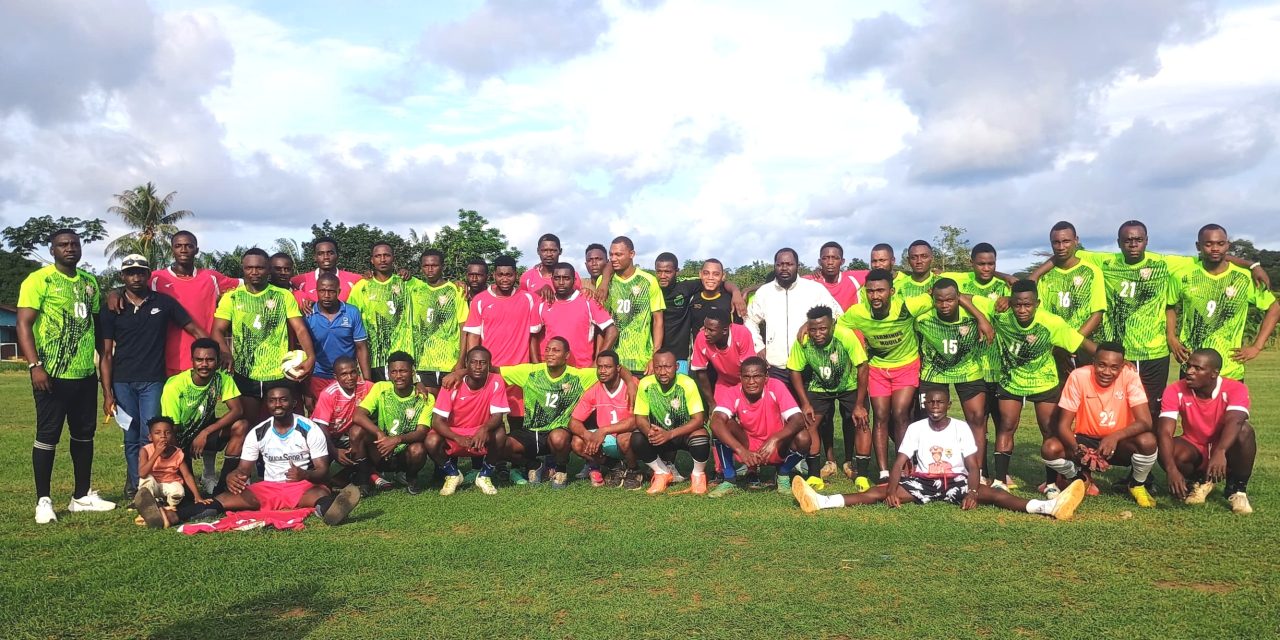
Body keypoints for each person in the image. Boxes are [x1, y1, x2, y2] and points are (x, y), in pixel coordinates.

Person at [1043, 221, 1267, 415]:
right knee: (1112, 406)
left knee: (1153, 410)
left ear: (1146, 240)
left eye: (1138, 239)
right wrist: (1034, 276)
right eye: (1127, 240)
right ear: (1119, 242)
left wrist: (1252, 264)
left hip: (1154, 353)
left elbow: (1212, 255)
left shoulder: (1164, 263)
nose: (1133, 244)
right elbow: (1063, 254)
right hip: (1118, 352)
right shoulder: (1106, 261)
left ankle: (1144, 463)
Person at [791, 388, 1087, 521]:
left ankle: (1048, 508)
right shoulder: (917, 427)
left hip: (956, 480)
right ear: (926, 403)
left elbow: (972, 465)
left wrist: (971, 491)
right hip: (924, 481)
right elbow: (899, 462)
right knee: (879, 493)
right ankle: (822, 502)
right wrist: (893, 489)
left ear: (947, 405)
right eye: (930, 402)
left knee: (994, 495)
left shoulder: (960, 428)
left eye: (940, 402)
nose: (934, 406)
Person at [18, 228, 115, 523]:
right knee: (48, 436)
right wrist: (35, 366)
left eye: (74, 244)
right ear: (52, 250)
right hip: (51, 375)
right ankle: (43, 500)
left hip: (84, 375)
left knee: (84, 436)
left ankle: (81, 496)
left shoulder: (89, 282)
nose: (69, 248)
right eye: (63, 245)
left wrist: (103, 378)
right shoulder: (39, 280)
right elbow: (24, 325)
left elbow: (99, 331)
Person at [99, 254, 206, 499]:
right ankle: (137, 487)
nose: (135, 277)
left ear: (149, 275)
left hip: (153, 380)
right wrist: (107, 393)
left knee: (155, 435)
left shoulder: (164, 303)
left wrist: (213, 348)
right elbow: (106, 353)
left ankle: (159, 483)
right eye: (130, 273)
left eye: (140, 272)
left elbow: (192, 328)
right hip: (122, 381)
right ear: (122, 276)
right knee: (130, 435)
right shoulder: (112, 308)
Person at [202, 384, 361, 526]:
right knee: (224, 499)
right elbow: (243, 470)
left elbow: (323, 471)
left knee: (320, 493)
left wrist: (304, 474)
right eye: (272, 400)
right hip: (269, 489)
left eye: (283, 400)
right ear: (267, 404)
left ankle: (330, 511)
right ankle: (181, 514)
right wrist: (233, 475)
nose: (277, 404)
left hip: (302, 487)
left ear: (293, 404)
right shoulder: (258, 432)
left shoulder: (310, 429)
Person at [992, 280, 1097, 493]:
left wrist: (1114, 359)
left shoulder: (1052, 322)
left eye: (1028, 305)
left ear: (1037, 303)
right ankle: (1000, 482)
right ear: (1010, 302)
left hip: (1044, 382)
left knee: (1048, 430)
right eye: (1017, 304)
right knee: (1006, 426)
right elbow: (962, 297)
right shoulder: (1000, 313)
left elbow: (1080, 342)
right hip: (1011, 380)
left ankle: (1050, 484)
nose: (1022, 310)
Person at [836, 269, 932, 481]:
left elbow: (945, 296)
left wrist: (981, 318)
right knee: (880, 416)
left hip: (906, 366)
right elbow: (836, 327)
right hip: (878, 369)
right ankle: (883, 472)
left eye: (880, 291)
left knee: (900, 414)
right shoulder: (857, 312)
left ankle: (904, 466)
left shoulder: (907, 306)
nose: (875, 296)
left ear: (892, 291)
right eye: (870, 291)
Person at [1041, 343, 1157, 506]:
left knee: (1148, 441)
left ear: (1122, 366)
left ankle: (1137, 485)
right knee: (1050, 448)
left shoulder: (1130, 375)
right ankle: (1079, 479)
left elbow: (1145, 422)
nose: (1107, 372)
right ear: (1093, 362)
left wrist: (1114, 436)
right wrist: (1078, 450)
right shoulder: (1078, 376)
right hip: (1085, 441)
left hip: (1118, 443)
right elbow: (1063, 426)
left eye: (1114, 367)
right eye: (1101, 365)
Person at [212, 248, 316, 426]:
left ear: (268, 269)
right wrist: (225, 352)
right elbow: (217, 331)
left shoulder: (283, 296)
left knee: (283, 424)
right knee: (249, 425)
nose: (254, 272)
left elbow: (299, 328)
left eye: (259, 268)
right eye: (249, 267)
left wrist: (311, 356)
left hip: (278, 373)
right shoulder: (232, 298)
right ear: (243, 269)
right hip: (245, 373)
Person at [1168, 224, 1279, 382]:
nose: (1215, 248)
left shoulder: (1245, 278)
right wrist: (1172, 337)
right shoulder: (1182, 275)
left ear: (1228, 245)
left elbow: (1274, 308)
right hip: (1191, 366)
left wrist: (1257, 346)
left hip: (1230, 369)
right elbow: (1169, 305)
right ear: (1198, 246)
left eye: (1220, 244)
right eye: (1208, 244)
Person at [913, 277, 996, 483]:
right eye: (939, 300)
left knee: (977, 419)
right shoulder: (922, 318)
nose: (944, 305)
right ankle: (926, 468)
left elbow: (1002, 304)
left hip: (968, 370)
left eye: (950, 300)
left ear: (959, 298)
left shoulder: (974, 312)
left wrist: (981, 318)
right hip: (934, 372)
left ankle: (979, 471)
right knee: (929, 419)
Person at [1158, 349, 1258, 514]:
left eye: (1197, 368)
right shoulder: (1175, 389)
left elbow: (1236, 421)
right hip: (1195, 445)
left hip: (1225, 448)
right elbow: (1164, 432)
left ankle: (1238, 490)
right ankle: (1198, 482)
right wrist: (1171, 469)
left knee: (1245, 431)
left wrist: (1221, 451)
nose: (1189, 372)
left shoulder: (1235, 388)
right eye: (1188, 366)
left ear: (1214, 373)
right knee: (1169, 446)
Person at [500, 337, 601, 488]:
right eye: (547, 350)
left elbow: (612, 369)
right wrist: (460, 373)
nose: (550, 354)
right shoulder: (531, 372)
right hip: (531, 432)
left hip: (558, 434)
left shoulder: (578, 376)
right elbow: (493, 370)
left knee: (558, 437)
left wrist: (630, 384)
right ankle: (534, 465)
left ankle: (561, 471)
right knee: (500, 445)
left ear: (566, 355)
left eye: (556, 350)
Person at [788, 306, 870, 486]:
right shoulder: (803, 340)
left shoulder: (846, 336)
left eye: (823, 328)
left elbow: (862, 366)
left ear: (832, 325)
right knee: (810, 423)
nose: (817, 333)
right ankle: (814, 474)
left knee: (862, 422)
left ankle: (862, 475)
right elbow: (794, 370)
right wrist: (805, 403)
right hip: (820, 387)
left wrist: (859, 405)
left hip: (849, 385)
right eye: (813, 329)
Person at [141, 231, 242, 377]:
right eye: (178, 246)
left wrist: (285, 283)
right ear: (172, 250)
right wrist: (115, 293)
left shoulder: (211, 277)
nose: (183, 250)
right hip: (167, 359)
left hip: (204, 359)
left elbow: (247, 283)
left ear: (196, 250)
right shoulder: (156, 278)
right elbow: (132, 288)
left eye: (189, 246)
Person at [943, 242, 1013, 449]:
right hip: (974, 364)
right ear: (971, 263)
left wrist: (1009, 293)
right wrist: (980, 317)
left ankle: (1002, 473)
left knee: (1003, 422)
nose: (986, 268)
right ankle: (981, 469)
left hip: (1000, 364)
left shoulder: (1004, 287)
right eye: (981, 264)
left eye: (991, 264)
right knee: (977, 420)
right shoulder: (961, 280)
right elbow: (946, 290)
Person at [709, 357, 812, 497]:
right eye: (746, 377)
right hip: (747, 446)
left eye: (757, 376)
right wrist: (741, 450)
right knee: (720, 427)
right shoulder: (733, 392)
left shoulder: (776, 386)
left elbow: (798, 419)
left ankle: (783, 473)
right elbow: (715, 422)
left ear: (766, 377)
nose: (751, 382)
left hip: (776, 446)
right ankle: (729, 480)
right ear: (740, 377)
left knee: (804, 437)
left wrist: (775, 439)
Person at [460, 256, 541, 429]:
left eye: (509, 275)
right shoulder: (480, 300)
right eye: (501, 275)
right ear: (494, 275)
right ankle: (487, 456)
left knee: (517, 419)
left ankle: (516, 454)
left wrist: (535, 367)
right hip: (491, 371)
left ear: (516, 275)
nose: (505, 279)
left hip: (518, 371)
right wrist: (473, 366)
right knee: (488, 419)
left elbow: (534, 335)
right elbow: (473, 336)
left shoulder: (529, 299)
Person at [160, 338, 248, 495]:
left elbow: (237, 410)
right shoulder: (174, 386)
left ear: (218, 360)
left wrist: (205, 432)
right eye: (199, 360)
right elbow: (171, 430)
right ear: (192, 360)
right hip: (179, 440)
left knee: (241, 425)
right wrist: (181, 459)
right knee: (184, 494)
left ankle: (223, 484)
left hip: (205, 433)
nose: (204, 364)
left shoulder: (222, 378)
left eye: (210, 360)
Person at [425, 346, 510, 496]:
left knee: (500, 433)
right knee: (431, 440)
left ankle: (484, 476)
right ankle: (452, 474)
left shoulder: (496, 381)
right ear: (466, 363)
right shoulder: (451, 384)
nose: (478, 366)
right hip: (455, 433)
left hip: (479, 431)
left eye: (483, 362)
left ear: (489, 365)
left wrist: (483, 429)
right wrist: (457, 437)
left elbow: (497, 416)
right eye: (474, 362)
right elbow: (437, 421)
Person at [349, 352, 432, 493]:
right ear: (388, 373)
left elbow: (422, 432)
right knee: (356, 431)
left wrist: (397, 440)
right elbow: (358, 415)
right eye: (394, 371)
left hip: (405, 453)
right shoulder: (381, 388)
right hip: (381, 450)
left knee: (418, 449)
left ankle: (411, 478)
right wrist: (380, 434)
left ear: (412, 372)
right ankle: (364, 482)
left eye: (403, 371)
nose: (398, 376)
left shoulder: (425, 397)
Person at [632, 350, 709, 494]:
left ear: (677, 367)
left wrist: (670, 434)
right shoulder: (646, 384)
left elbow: (698, 420)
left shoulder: (688, 383)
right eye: (658, 367)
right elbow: (640, 418)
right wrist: (650, 432)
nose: (662, 372)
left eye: (667, 367)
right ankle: (662, 472)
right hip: (659, 433)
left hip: (683, 432)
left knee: (701, 437)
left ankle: (698, 476)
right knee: (637, 438)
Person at [654, 252, 745, 373]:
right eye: (659, 271)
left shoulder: (686, 287)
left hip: (680, 356)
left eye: (668, 272)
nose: (663, 275)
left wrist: (736, 292)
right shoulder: (650, 287)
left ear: (677, 271)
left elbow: (719, 282)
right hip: (654, 353)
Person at [1037, 221, 1106, 374]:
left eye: (1066, 241)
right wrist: (1059, 345)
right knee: (1057, 397)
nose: (1061, 247)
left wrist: (1071, 343)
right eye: (1056, 242)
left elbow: (1097, 313)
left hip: (1084, 347)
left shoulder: (1091, 272)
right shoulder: (1044, 275)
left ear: (1076, 240)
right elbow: (1041, 315)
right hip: (1054, 350)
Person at [568, 350, 639, 487]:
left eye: (607, 367)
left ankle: (634, 469)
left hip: (631, 438)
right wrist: (587, 435)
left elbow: (636, 421)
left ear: (618, 369)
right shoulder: (594, 390)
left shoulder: (632, 385)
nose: (602, 371)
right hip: (608, 438)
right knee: (577, 442)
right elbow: (573, 421)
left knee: (624, 438)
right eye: (599, 367)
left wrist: (604, 430)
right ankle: (614, 466)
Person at [304, 273, 372, 412]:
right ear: (316, 291)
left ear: (339, 292)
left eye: (331, 291)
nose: (327, 295)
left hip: (347, 376)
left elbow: (361, 347)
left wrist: (367, 381)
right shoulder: (308, 315)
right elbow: (305, 352)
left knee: (352, 420)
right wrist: (306, 389)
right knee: (323, 420)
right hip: (319, 376)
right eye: (322, 291)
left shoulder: (352, 312)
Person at [346, 242, 412, 381]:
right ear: (372, 260)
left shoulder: (406, 283)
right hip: (372, 359)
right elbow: (350, 319)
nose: (382, 259)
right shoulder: (362, 287)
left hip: (400, 361)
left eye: (386, 255)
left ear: (393, 258)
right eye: (378, 256)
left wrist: (458, 284)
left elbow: (434, 286)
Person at [131, 417, 209, 528]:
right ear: (150, 437)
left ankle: (168, 507)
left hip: (169, 484)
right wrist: (156, 454)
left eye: (167, 433)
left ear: (173, 436)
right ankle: (149, 506)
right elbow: (142, 473)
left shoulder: (177, 453)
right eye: (157, 433)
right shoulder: (145, 450)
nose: (163, 436)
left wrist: (198, 496)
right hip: (153, 485)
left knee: (178, 489)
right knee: (146, 480)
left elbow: (187, 475)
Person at [409, 249, 468, 396]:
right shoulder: (416, 291)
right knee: (427, 408)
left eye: (434, 265)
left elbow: (464, 328)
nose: (429, 269)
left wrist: (461, 361)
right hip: (423, 363)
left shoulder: (455, 290)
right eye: (425, 266)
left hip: (449, 364)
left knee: (448, 411)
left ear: (442, 266)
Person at [605, 236, 666, 375]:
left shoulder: (648, 281)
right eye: (611, 254)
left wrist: (654, 356)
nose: (613, 258)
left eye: (618, 254)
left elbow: (658, 321)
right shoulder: (605, 282)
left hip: (642, 362)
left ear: (632, 254)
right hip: (613, 363)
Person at [539, 262, 616, 368]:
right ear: (552, 279)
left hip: (581, 370)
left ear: (574, 280)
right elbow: (533, 335)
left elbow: (612, 331)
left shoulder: (588, 300)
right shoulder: (544, 302)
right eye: (557, 278)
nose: (561, 282)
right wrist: (537, 364)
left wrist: (598, 360)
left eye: (566, 278)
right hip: (552, 370)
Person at [310, 356, 373, 473]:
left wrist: (417, 385)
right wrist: (334, 452)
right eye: (344, 374)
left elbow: (386, 389)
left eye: (353, 372)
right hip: (321, 437)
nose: (349, 378)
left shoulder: (365, 386)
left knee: (359, 433)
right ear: (336, 377)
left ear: (358, 372)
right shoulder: (329, 394)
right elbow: (320, 427)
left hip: (342, 436)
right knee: (320, 472)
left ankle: (365, 476)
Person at [291, 236, 364, 303]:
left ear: (337, 255)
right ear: (315, 257)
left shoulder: (355, 280)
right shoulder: (299, 281)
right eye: (320, 254)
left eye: (330, 253)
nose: (326, 257)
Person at [522, 233, 583, 301]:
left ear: (560, 251)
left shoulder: (571, 275)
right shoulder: (527, 277)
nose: (549, 254)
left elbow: (577, 301)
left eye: (553, 250)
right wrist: (540, 292)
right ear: (538, 251)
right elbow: (523, 302)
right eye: (544, 250)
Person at [805, 241, 864, 310]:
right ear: (819, 262)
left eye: (835, 258)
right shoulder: (809, 282)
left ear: (842, 261)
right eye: (825, 258)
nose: (830, 262)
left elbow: (878, 270)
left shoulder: (854, 279)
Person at [688, 258, 743, 330]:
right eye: (706, 273)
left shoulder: (731, 301)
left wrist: (736, 292)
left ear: (723, 276)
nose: (710, 278)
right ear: (700, 274)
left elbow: (739, 332)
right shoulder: (692, 297)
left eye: (716, 274)